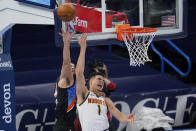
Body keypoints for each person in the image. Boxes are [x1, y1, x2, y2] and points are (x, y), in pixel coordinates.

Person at [75, 33, 136, 131]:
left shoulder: (106, 100)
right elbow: (78, 73)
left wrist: (126, 117)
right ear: (90, 81)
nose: (102, 81)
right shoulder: (84, 94)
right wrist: (83, 48)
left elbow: (119, 116)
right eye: (99, 79)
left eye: (103, 80)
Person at [53, 26, 76, 131]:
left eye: (73, 68)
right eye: (69, 67)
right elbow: (66, 62)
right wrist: (67, 42)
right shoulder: (64, 81)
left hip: (69, 124)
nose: (71, 68)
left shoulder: (74, 82)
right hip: (63, 126)